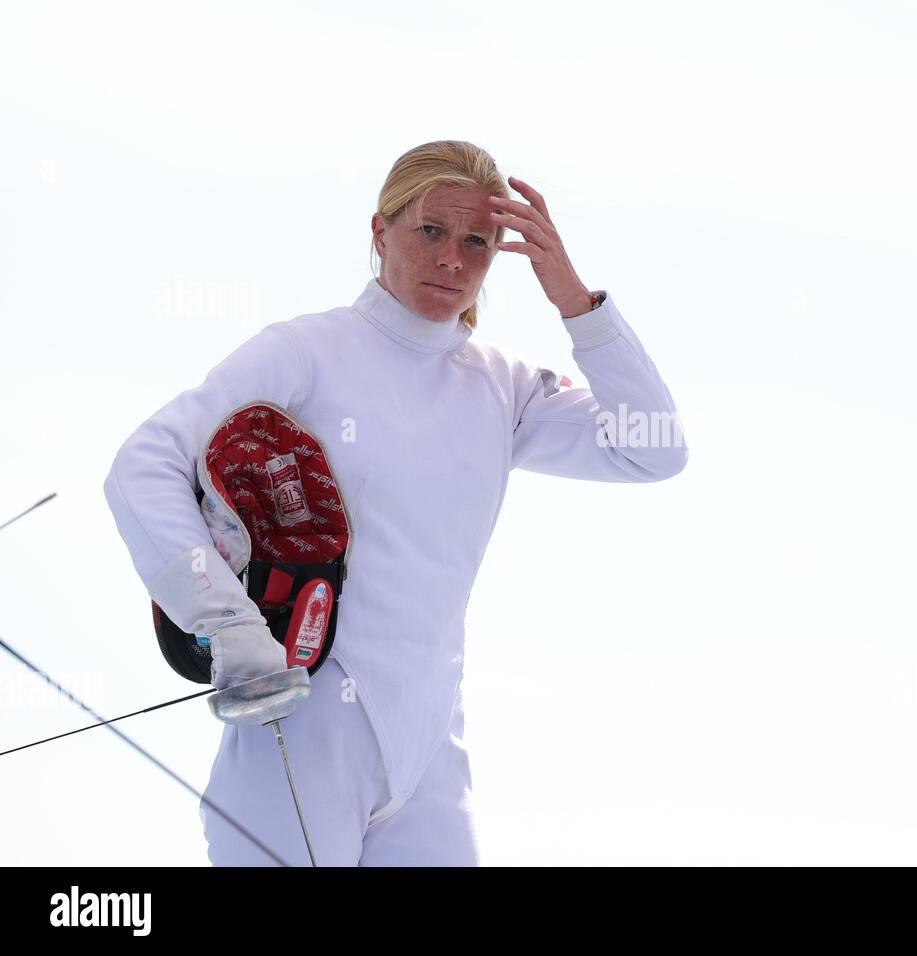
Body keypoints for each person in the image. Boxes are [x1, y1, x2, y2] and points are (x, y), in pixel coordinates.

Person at [102, 140, 688, 866]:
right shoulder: (306, 352)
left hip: (431, 759)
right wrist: (222, 618)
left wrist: (576, 301)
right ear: (380, 232)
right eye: (430, 231)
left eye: (478, 240)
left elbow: (652, 448)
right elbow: (141, 465)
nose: (452, 259)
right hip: (299, 738)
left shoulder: (499, 385)